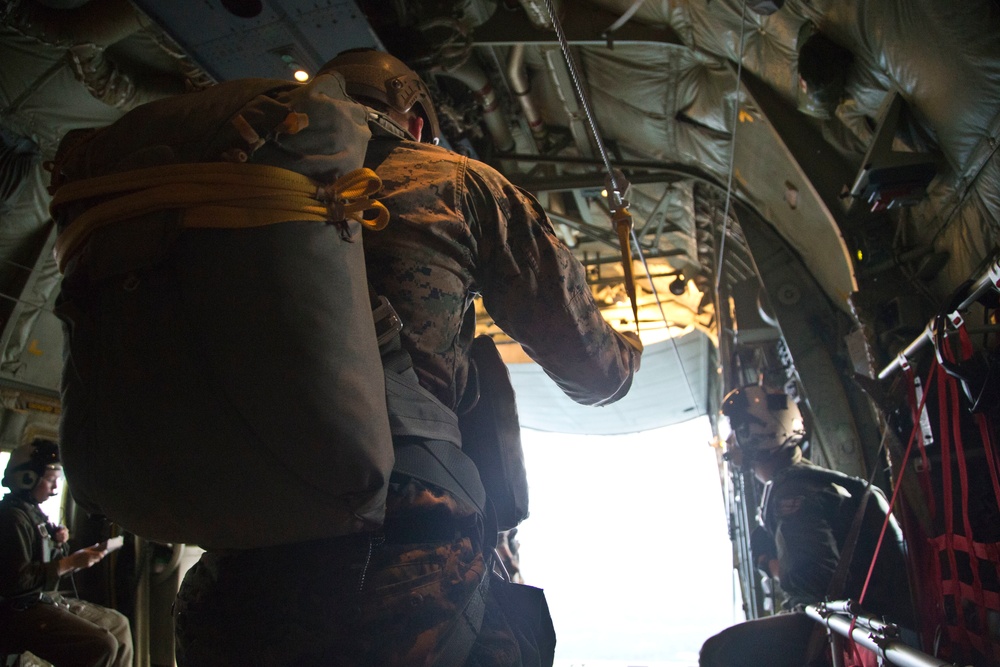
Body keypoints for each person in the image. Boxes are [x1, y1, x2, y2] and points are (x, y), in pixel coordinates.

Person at [172, 49, 642, 666]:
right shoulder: (455, 182)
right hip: (400, 568)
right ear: (416, 121)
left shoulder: (223, 192)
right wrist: (627, 353)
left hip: (231, 576)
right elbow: (595, 372)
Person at [699, 385, 914, 667]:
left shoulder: (791, 493)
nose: (731, 439)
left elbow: (814, 581)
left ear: (758, 434)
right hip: (882, 620)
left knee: (721, 652)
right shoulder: (811, 479)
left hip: (863, 628)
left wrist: (769, 563)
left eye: (739, 429)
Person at [0, 439, 133, 667]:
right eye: (51, 481)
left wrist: (59, 543)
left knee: (119, 624)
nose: (54, 489)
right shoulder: (12, 518)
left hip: (40, 600)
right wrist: (70, 563)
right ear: (27, 478)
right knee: (102, 646)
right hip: (19, 611)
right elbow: (17, 582)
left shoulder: (32, 513)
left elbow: (41, 562)